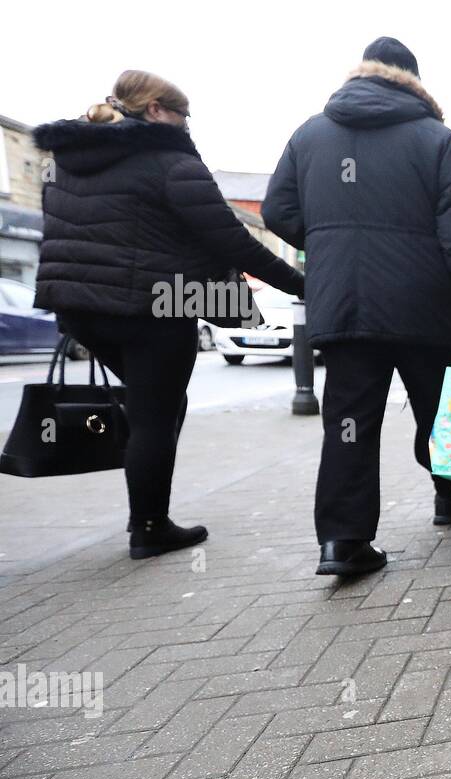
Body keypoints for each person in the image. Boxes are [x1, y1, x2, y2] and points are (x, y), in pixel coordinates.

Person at [33, 70, 305, 559]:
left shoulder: (64, 162)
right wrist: (306, 286)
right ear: (157, 110)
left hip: (80, 309)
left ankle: (149, 513)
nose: (187, 125)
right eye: (184, 115)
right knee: (156, 414)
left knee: (152, 409)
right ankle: (150, 527)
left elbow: (59, 235)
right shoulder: (170, 162)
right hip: (154, 309)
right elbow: (231, 240)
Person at [263, 37, 451, 577]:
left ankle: (343, 544)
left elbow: (277, 210)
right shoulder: (435, 138)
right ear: (413, 80)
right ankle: (447, 494)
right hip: (424, 306)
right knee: (437, 411)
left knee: (348, 423)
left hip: (345, 307)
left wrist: (329, 243)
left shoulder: (310, 135)